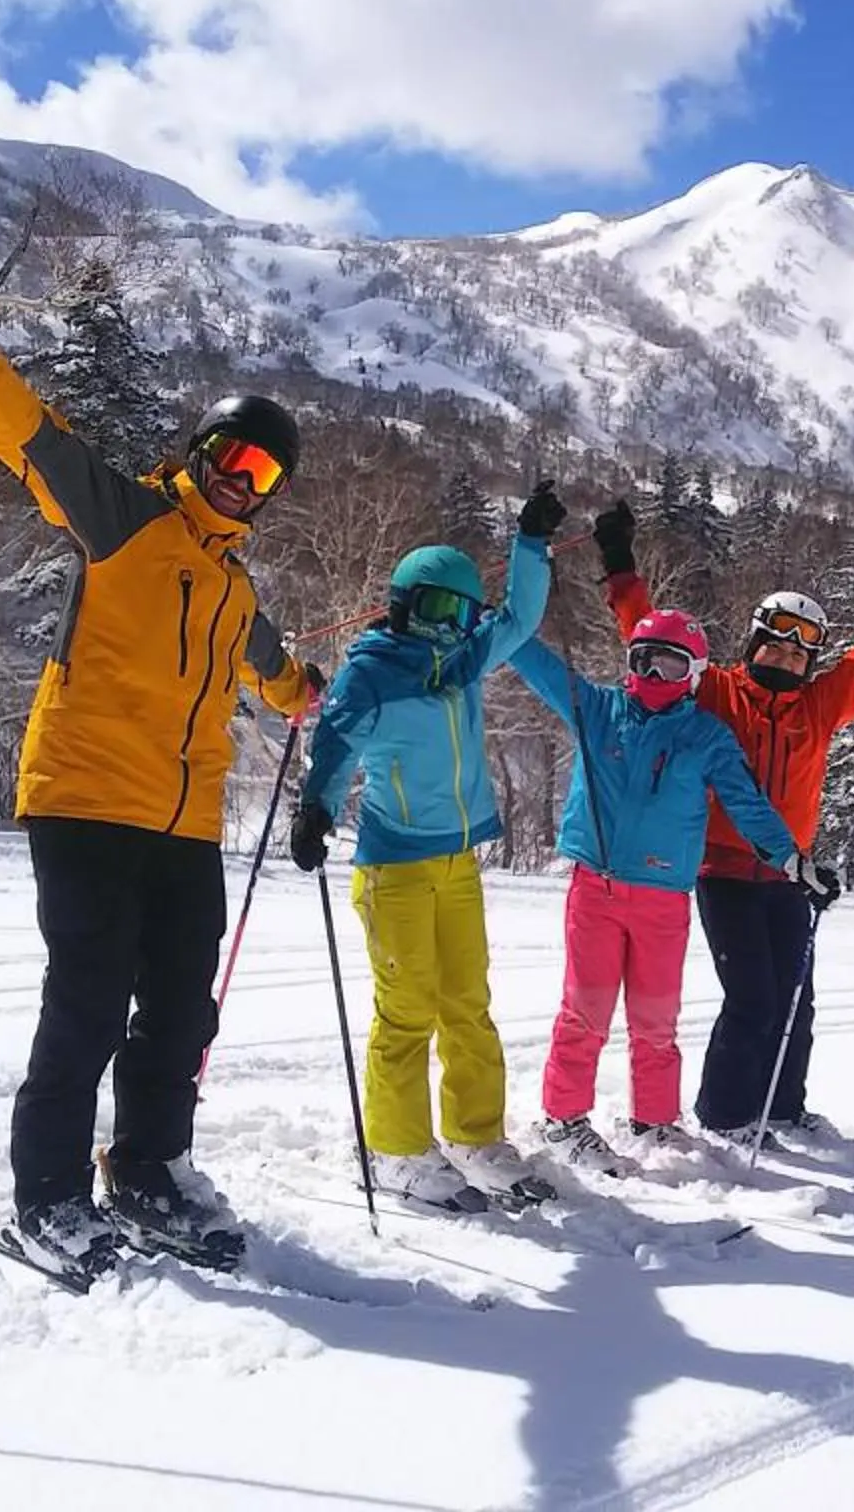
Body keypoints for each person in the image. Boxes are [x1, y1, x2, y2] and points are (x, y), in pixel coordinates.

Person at [0, 256, 316, 1284]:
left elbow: (273, 669)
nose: (235, 481)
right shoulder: (127, 520)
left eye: (258, 477)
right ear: (197, 452)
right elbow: (24, 431)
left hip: (185, 821)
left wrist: (305, 688)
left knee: (180, 1003)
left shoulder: (234, 587)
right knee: (88, 994)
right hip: (85, 796)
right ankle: (49, 1194)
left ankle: (152, 1166)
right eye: (228, 458)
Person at [591, 504, 854, 1141]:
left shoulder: (819, 704)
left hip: (789, 875)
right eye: (776, 644)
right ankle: (726, 1117)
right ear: (755, 642)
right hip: (722, 869)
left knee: (794, 1004)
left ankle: (782, 1109)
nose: (785, 658)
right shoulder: (716, 691)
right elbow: (650, 641)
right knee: (752, 997)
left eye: (799, 651)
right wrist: (619, 563)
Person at [288, 488, 562, 1212]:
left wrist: (530, 545)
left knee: (467, 1004)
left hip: (459, 863)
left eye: (461, 614)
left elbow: (519, 619)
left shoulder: (465, 660)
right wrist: (315, 807)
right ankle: (396, 1149)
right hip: (394, 868)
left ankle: (474, 1134)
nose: (453, 627)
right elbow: (335, 748)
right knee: (406, 1009)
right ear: (405, 605)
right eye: (439, 610)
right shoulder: (371, 673)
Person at [504, 609, 829, 1175]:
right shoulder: (598, 710)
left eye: (671, 664)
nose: (656, 675)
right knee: (585, 1011)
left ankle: (654, 1119)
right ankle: (563, 1118)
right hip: (596, 890)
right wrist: (499, 622)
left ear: (694, 672)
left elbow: (748, 804)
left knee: (656, 1020)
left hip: (664, 898)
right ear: (631, 660)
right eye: (645, 660)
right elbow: (536, 663)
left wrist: (791, 860)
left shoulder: (705, 735)